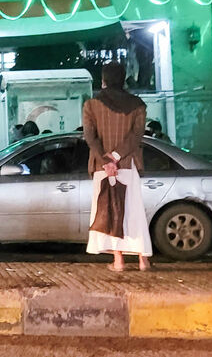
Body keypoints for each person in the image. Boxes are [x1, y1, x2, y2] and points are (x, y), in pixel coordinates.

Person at [82, 62, 152, 272]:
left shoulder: (91, 105)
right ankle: (142, 260)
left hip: (102, 168)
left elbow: (90, 138)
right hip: (128, 165)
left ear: (103, 80)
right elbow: (136, 136)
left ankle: (119, 261)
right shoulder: (137, 105)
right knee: (134, 211)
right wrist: (117, 156)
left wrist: (106, 161)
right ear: (123, 79)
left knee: (110, 211)